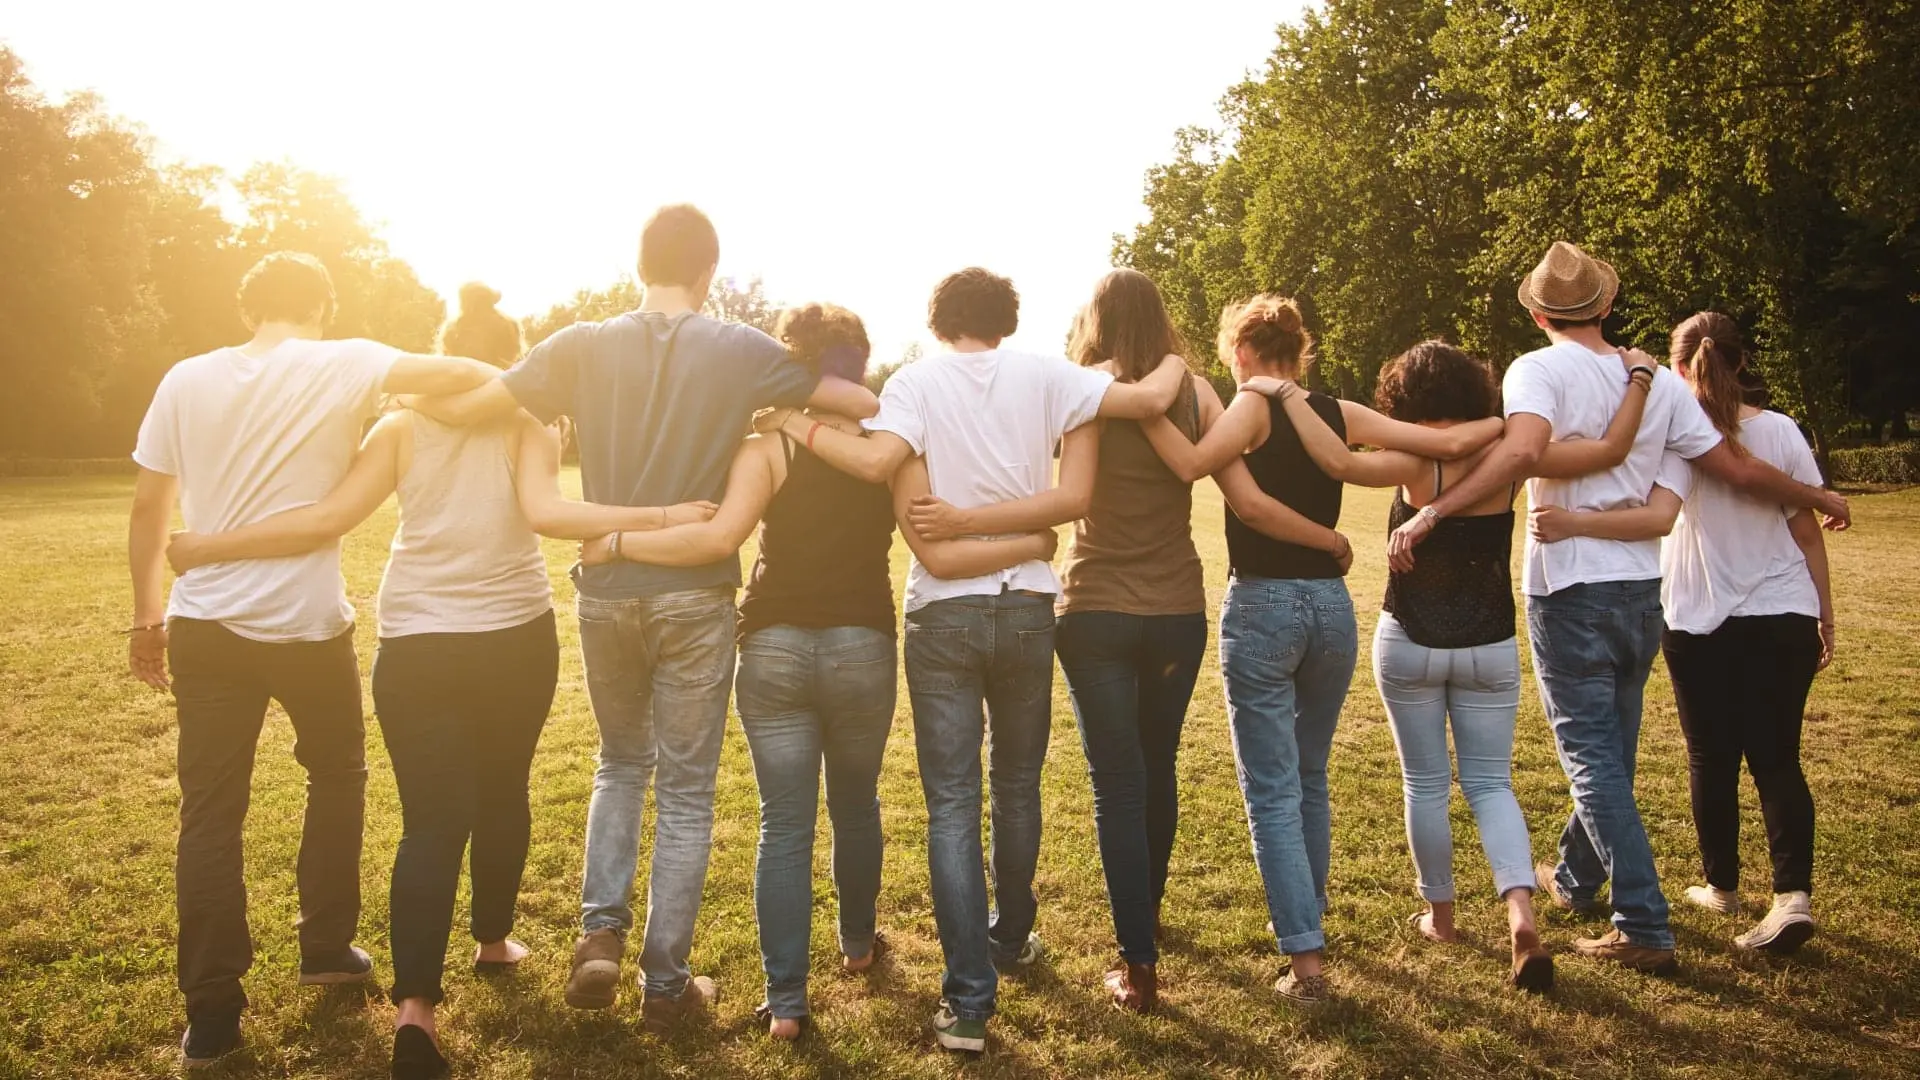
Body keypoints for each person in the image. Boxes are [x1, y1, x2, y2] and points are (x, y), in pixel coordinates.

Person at [164, 285, 716, 1078]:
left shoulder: (398, 426)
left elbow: (327, 519)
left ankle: (415, 1008)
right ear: (512, 361)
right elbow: (546, 512)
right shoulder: (526, 421)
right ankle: (493, 939)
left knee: (430, 821)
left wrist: (209, 545)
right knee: (503, 788)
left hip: (416, 643)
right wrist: (664, 516)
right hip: (514, 638)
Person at [406, 205, 878, 1028]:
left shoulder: (579, 344)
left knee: (620, 764)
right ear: (708, 271)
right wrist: (784, 411)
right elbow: (860, 400)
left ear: (638, 266)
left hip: (607, 586)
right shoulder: (741, 348)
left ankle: (598, 936)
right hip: (696, 589)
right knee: (688, 789)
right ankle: (666, 987)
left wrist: (380, 379)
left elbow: (472, 403)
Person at [585, 302, 1061, 1039]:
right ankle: (858, 944)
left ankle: (786, 1004)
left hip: (772, 643)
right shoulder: (887, 446)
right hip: (861, 644)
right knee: (856, 802)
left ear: (791, 361)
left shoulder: (767, 444)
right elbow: (928, 530)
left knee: (783, 824)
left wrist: (618, 542)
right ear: (860, 361)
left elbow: (724, 532)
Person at [1387, 242, 1850, 975]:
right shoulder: (1659, 382)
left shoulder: (1536, 369)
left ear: (1538, 313)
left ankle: (1643, 922)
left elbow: (1519, 456)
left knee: (1592, 760)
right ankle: (1576, 878)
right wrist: (1815, 492)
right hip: (1642, 593)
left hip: (1570, 586)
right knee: (1612, 751)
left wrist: (1431, 513)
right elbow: (1731, 464)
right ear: (1605, 305)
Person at [774, 267, 1188, 1051]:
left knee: (953, 804)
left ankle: (969, 999)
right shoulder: (1051, 375)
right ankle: (1009, 938)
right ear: (1007, 318)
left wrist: (798, 427)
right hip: (1029, 605)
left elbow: (874, 468)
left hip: (943, 610)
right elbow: (1137, 416)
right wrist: (1166, 359)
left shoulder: (915, 383)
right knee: (1018, 785)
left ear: (936, 323)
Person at [910, 269, 1342, 1014]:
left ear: (1096, 322)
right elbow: (1241, 496)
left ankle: (1138, 966)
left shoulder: (1082, 390)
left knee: (1118, 784)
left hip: (1096, 609)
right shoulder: (1199, 392)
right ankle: (1145, 925)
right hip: (1176, 609)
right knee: (1158, 766)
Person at [126, 252, 504, 1069]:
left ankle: (214, 1011)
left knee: (209, 813)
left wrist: (144, 619)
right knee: (336, 776)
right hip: (305, 628)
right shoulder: (352, 360)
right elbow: (478, 369)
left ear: (247, 308)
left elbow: (151, 507)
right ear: (323, 308)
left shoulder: (184, 378)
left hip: (206, 627)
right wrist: (406, 391)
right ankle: (327, 946)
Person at [1244, 338, 1655, 992]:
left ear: (1403, 395)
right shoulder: (1509, 455)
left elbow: (1337, 462)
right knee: (1492, 784)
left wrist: (1288, 395)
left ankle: (1441, 915)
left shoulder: (1409, 457)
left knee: (1426, 784)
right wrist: (1636, 381)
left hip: (1409, 637)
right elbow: (1608, 450)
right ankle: (1520, 910)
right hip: (1489, 642)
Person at [1137, 295, 1502, 1005]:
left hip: (1266, 604)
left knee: (1272, 789)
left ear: (1240, 352)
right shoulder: (1335, 411)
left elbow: (1195, 469)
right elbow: (1448, 445)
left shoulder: (1249, 406)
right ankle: (1311, 915)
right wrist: (1505, 420)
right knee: (1309, 775)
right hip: (1332, 610)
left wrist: (1149, 398)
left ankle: (1306, 963)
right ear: (1299, 352)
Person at [1529, 312, 1835, 956]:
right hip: (1785, 609)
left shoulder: (1673, 425)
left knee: (1707, 756)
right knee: (1777, 756)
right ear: (1743, 359)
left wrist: (1574, 520)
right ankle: (1790, 898)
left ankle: (1718, 886)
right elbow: (1800, 525)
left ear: (1679, 362)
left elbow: (1662, 513)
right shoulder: (1778, 430)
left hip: (1698, 615)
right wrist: (1823, 607)